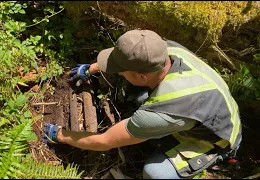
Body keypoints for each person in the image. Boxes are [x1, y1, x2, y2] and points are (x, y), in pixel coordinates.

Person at [42, 29, 242, 179]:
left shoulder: (160, 113)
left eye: (121, 72)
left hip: (218, 138)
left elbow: (105, 142)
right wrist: (92, 68)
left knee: (154, 172)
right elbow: (128, 58)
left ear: (142, 76)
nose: (118, 73)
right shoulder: (164, 49)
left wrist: (61, 135)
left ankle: (218, 157)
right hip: (216, 107)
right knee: (140, 100)